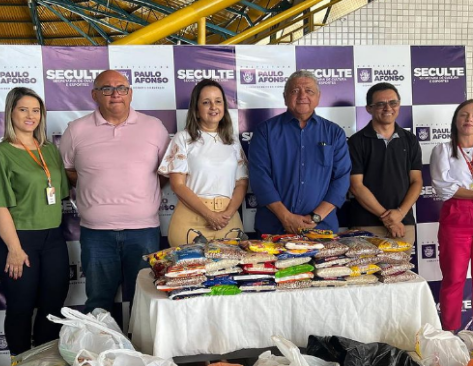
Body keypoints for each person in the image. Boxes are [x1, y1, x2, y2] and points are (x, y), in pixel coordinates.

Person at [60, 70, 169, 314]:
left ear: (130, 93)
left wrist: (141, 193)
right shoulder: (76, 130)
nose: (115, 94)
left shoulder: (154, 127)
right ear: (94, 95)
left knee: (146, 302)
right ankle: (103, 352)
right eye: (107, 89)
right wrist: (95, 185)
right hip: (97, 234)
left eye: (122, 88)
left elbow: (166, 171)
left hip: (144, 231)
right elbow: (68, 170)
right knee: (98, 302)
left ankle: (143, 352)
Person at [0, 87, 70, 356]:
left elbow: (59, 191)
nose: (31, 116)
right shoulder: (0, 154)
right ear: (11, 113)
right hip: (16, 238)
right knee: (21, 305)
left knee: (53, 304)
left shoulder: (49, 151)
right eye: (23, 109)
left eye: (36, 110)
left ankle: (43, 362)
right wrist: (15, 249)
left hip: (52, 237)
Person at [248, 70, 351, 234]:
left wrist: (316, 217)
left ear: (318, 96)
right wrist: (286, 217)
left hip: (321, 228)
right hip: (274, 228)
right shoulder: (265, 131)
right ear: (285, 97)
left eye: (309, 91)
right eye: (295, 91)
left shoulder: (334, 133)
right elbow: (260, 177)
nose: (302, 96)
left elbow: (341, 178)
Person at [430, 99, 473, 334]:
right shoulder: (442, 150)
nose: (469, 119)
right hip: (456, 218)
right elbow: (443, 188)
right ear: (456, 120)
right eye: (464, 115)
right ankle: (449, 336)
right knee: (453, 281)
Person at [158, 79, 248, 246]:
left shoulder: (233, 141)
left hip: (228, 220)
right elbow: (178, 185)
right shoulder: (183, 138)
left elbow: (242, 183)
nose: (213, 107)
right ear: (197, 110)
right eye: (206, 102)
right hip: (191, 221)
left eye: (218, 101)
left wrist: (227, 213)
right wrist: (209, 215)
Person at [347, 83, 422, 244]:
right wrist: (389, 219)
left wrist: (400, 214)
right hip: (366, 226)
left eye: (393, 103)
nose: (388, 108)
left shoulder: (410, 140)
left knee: (402, 270)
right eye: (380, 104)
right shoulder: (356, 142)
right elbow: (356, 186)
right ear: (369, 108)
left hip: (403, 224)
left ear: (399, 105)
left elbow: (417, 181)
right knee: (367, 271)